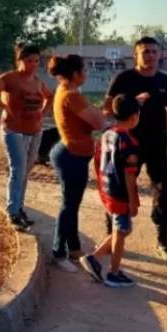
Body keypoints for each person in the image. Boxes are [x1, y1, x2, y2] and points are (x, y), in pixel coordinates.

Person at [104, 36, 167, 261]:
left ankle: (162, 241)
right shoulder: (124, 78)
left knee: (163, 192)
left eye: (154, 52)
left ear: (161, 55)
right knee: (119, 190)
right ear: (135, 54)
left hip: (157, 143)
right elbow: (108, 108)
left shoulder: (166, 82)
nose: (150, 56)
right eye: (145, 51)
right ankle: (112, 237)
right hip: (128, 143)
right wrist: (132, 101)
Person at [0, 44, 54, 231]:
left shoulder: (37, 81)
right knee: (18, 169)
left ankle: (20, 208)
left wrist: (42, 114)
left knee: (25, 172)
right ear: (19, 61)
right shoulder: (10, 78)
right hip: (13, 130)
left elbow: (50, 97)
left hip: (34, 130)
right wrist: (5, 107)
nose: (33, 64)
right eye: (29, 61)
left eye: (36, 61)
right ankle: (12, 211)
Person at [48, 54, 105, 271]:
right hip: (71, 156)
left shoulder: (68, 93)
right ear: (75, 74)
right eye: (85, 70)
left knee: (72, 204)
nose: (87, 74)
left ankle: (73, 248)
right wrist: (101, 113)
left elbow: (90, 120)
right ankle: (58, 252)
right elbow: (98, 122)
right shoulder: (72, 95)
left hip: (71, 154)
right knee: (69, 205)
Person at [79, 94, 141, 288]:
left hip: (107, 190)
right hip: (121, 194)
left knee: (123, 229)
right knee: (121, 231)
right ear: (135, 116)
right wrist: (133, 201)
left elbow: (97, 161)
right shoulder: (130, 143)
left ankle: (94, 259)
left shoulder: (107, 134)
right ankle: (113, 273)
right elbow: (129, 176)